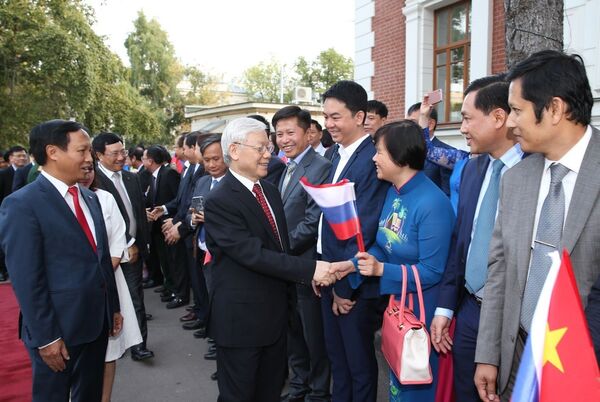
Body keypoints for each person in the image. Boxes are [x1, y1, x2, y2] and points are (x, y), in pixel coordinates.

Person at [474, 50, 600, 401]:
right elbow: (499, 271)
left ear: (555, 109)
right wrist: (488, 353)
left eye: (516, 110)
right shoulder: (515, 180)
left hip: (584, 370)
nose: (509, 123)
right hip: (518, 362)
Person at [203, 117, 350, 402]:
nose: (269, 153)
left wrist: (305, 276)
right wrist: (311, 270)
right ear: (234, 150)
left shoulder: (268, 190)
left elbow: (281, 250)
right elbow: (254, 255)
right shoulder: (220, 200)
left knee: (269, 393)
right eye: (260, 148)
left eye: (268, 147)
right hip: (241, 324)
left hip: (275, 318)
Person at [0, 119, 122, 402]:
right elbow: (27, 279)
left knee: (89, 394)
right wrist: (47, 337)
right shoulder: (22, 204)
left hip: (95, 323)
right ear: (53, 152)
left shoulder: (89, 198)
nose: (89, 158)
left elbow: (100, 260)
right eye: (82, 151)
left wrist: (111, 307)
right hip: (57, 330)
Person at [337, 120, 454, 401]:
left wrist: (380, 270)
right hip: (400, 306)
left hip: (423, 315)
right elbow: (384, 245)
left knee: (416, 388)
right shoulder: (394, 190)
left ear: (400, 157)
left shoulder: (432, 204)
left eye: (379, 152)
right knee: (397, 385)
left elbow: (433, 270)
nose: (374, 158)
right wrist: (353, 265)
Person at [429, 77, 524, 402]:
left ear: (498, 117)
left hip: (515, 319)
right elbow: (462, 243)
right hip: (469, 309)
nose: (463, 127)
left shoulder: (537, 173)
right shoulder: (472, 169)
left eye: (468, 117)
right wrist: (445, 308)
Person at [318, 80, 389, 402]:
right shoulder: (335, 154)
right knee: (338, 360)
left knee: (358, 365)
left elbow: (367, 227)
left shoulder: (372, 158)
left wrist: (344, 286)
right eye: (326, 117)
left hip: (354, 284)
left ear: (360, 116)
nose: (329, 124)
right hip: (330, 275)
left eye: (336, 117)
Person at [273, 106, 332, 402]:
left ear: (308, 133)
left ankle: (318, 392)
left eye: (290, 132)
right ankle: (299, 386)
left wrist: (278, 251)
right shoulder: (286, 166)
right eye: (279, 134)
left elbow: (312, 222)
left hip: (306, 265)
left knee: (313, 336)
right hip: (286, 267)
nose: (284, 139)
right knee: (294, 333)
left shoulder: (319, 167)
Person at [79, 167, 143, 402]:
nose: (86, 174)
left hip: (108, 282)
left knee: (109, 351)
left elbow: (118, 241)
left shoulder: (104, 198)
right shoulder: (58, 201)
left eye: (90, 169)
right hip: (75, 290)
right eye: (82, 167)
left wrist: (100, 276)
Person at [92, 132, 153, 362]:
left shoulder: (131, 177)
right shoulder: (93, 179)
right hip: (111, 252)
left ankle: (139, 345)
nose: (121, 157)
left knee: (136, 297)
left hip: (135, 251)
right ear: (99, 155)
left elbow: (136, 212)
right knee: (111, 299)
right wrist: (128, 242)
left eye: (123, 152)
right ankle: (111, 345)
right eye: (115, 153)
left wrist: (140, 242)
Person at [187, 134, 229, 379]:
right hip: (204, 254)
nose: (212, 165)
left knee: (225, 309)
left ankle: (226, 358)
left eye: (216, 159)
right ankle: (217, 343)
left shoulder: (234, 184)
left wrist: (211, 219)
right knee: (211, 304)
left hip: (224, 257)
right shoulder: (202, 182)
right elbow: (192, 212)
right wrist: (193, 219)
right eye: (207, 160)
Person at [407, 102, 455, 196]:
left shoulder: (448, 156)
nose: (407, 128)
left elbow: (447, 195)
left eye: (413, 123)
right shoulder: (407, 150)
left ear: (430, 124)